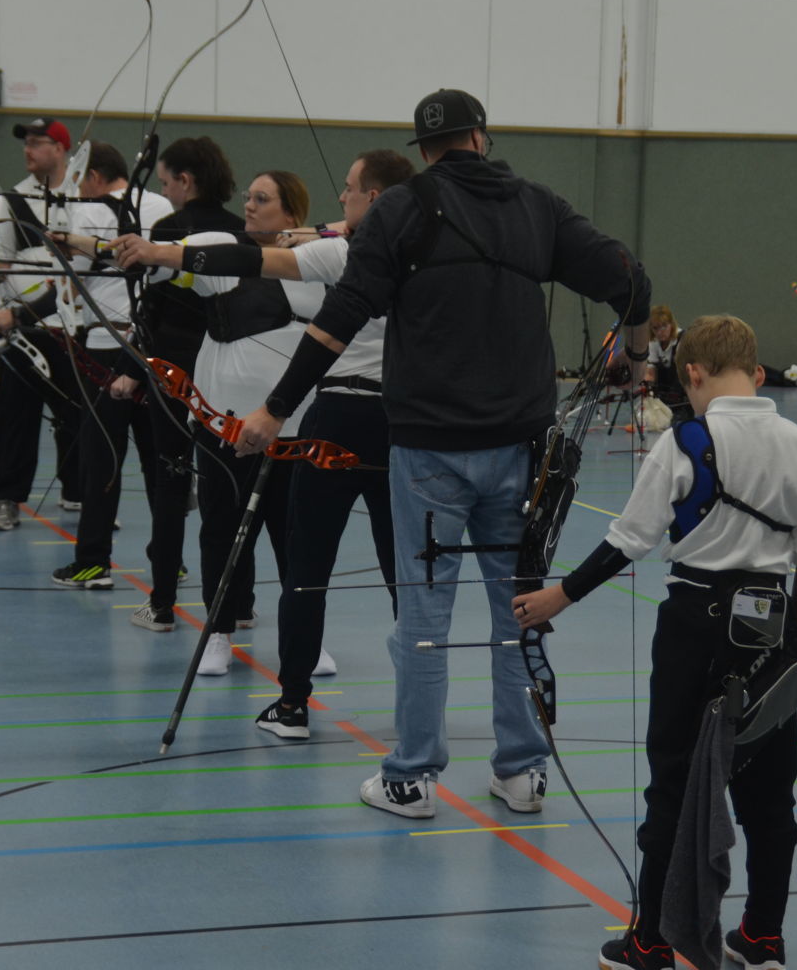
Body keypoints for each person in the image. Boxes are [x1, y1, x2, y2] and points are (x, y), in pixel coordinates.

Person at [231, 88, 651, 816]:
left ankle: (412, 777)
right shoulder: (537, 206)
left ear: (424, 150)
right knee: (518, 611)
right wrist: (636, 358)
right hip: (519, 451)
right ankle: (522, 771)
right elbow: (631, 280)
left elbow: (339, 318)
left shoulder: (400, 208)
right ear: (481, 138)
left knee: (424, 621)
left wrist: (275, 406)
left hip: (428, 451)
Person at [512, 314, 797, 970]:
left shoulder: (685, 441)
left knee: (675, 782)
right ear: (758, 372)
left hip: (695, 626)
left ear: (691, 373)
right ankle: (763, 936)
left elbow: (629, 539)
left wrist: (558, 596)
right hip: (769, 626)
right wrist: (793, 638)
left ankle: (651, 942)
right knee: (769, 790)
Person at [118, 148, 414, 735]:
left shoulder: (341, 253)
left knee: (308, 562)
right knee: (398, 568)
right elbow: (243, 253)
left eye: (350, 188)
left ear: (375, 199)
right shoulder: (422, 256)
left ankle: (294, 704)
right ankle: (415, 709)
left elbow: (248, 258)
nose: (342, 197)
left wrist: (160, 251)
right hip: (395, 424)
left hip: (335, 421)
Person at [114, 170, 321, 675]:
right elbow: (169, 259)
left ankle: (305, 642)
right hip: (222, 426)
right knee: (221, 530)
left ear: (291, 212)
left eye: (262, 199)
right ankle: (218, 634)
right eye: (248, 196)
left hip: (292, 430)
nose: (248, 205)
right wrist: (136, 251)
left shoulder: (319, 261)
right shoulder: (223, 253)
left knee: (297, 538)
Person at [109, 137, 245, 631]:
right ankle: (241, 604)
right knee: (228, 488)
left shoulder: (169, 232)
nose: (164, 190)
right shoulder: (241, 230)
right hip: (226, 373)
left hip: (175, 373)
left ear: (186, 181)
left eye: (166, 182)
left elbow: (150, 308)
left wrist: (131, 369)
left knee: (170, 485)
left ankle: (162, 603)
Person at [43, 143, 172, 588]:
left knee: (101, 459)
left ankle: (93, 562)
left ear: (95, 177)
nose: (77, 189)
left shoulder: (83, 212)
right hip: (152, 346)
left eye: (80, 180)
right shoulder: (161, 206)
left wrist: (59, 255)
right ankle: (169, 560)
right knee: (159, 459)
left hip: (106, 344)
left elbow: (70, 287)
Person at [0, 116, 85, 530]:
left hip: (73, 326)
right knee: (15, 416)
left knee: (78, 413)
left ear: (60, 149)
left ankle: (79, 491)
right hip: (25, 328)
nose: (28, 150)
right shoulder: (11, 201)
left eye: (38, 142)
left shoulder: (84, 198)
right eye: (26, 143)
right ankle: (7, 498)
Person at [644, 304, 690, 424]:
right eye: (655, 328)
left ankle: (682, 409)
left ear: (671, 324)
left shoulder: (682, 339)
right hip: (664, 388)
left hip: (681, 385)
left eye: (664, 326)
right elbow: (651, 371)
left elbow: (683, 372)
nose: (660, 332)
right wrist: (647, 391)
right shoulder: (652, 342)